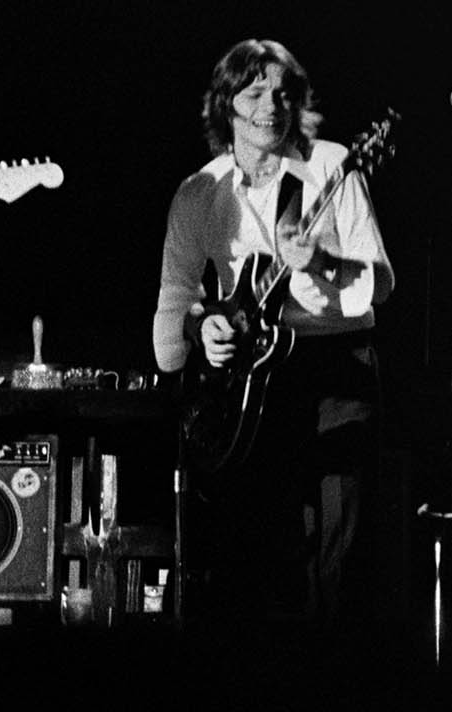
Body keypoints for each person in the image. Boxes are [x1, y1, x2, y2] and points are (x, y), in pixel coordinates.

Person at [152, 38, 392, 632]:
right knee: (261, 554)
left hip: (337, 370)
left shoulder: (332, 166)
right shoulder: (198, 192)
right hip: (249, 385)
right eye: (255, 92)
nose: (272, 106)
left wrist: (321, 265)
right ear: (224, 105)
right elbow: (175, 299)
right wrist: (202, 326)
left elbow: (381, 282)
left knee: (336, 556)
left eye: (284, 93)